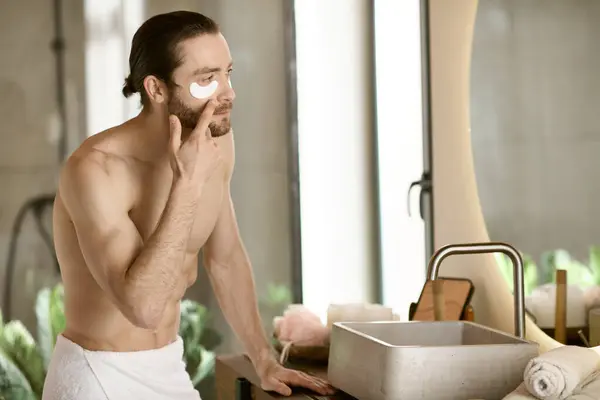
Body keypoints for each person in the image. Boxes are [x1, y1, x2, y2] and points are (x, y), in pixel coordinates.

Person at [42, 10, 334, 400]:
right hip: (98, 374)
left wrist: (263, 357)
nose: (227, 92)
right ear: (156, 89)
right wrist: (187, 185)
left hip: (168, 366)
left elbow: (225, 258)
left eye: (228, 73)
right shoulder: (95, 169)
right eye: (206, 79)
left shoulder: (215, 141)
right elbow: (142, 308)